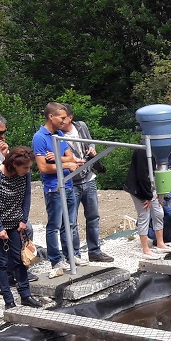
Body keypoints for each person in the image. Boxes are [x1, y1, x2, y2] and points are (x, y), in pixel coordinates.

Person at [0, 146, 43, 309]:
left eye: (29, 167)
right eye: (25, 167)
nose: (27, 170)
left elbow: (27, 195)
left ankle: (26, 295)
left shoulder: (25, 174)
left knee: (20, 260)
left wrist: (24, 220)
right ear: (13, 164)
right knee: (2, 261)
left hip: (15, 222)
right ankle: (9, 300)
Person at [56, 102, 114, 263]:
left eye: (63, 118)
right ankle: (74, 255)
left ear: (70, 117)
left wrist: (92, 149)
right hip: (71, 182)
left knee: (93, 216)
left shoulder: (81, 126)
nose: (61, 122)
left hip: (88, 178)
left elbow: (90, 142)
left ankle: (94, 251)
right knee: (71, 221)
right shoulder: (56, 134)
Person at [33, 102, 84, 279]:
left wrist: (58, 159)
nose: (65, 121)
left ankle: (72, 256)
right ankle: (56, 261)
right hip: (54, 187)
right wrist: (67, 164)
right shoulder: (40, 137)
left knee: (70, 224)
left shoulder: (60, 134)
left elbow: (70, 157)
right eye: (62, 117)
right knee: (54, 225)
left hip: (68, 185)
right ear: (51, 117)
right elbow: (43, 168)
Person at [124, 148, 171, 257]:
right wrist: (148, 196)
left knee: (159, 213)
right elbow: (142, 176)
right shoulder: (142, 151)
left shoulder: (158, 150)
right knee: (144, 215)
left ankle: (160, 243)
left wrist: (159, 192)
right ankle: (145, 249)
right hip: (139, 189)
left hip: (151, 187)